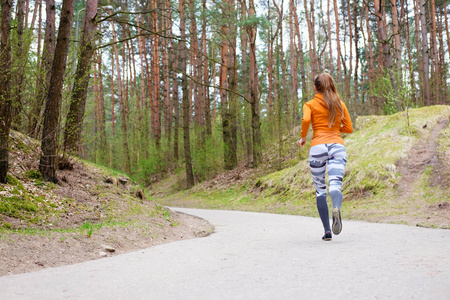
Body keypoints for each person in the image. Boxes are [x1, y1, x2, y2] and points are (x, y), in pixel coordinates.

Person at [298, 73, 353, 241]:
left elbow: (306, 119)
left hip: (317, 147)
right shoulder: (339, 104)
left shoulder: (309, 104)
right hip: (337, 146)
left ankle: (327, 231)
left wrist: (303, 136)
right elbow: (349, 128)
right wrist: (335, 129)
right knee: (335, 185)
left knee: (320, 190)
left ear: (315, 87)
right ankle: (336, 206)